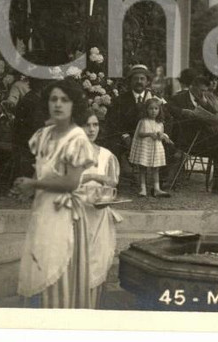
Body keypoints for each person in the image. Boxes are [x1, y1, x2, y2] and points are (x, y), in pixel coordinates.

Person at [13, 80, 98, 309]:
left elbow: (71, 182)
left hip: (64, 212)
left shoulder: (77, 138)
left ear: (74, 105)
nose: (58, 104)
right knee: (39, 261)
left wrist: (35, 184)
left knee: (56, 264)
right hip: (43, 209)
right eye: (53, 99)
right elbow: (40, 168)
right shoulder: (43, 134)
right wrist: (27, 187)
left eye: (64, 100)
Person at [78, 111, 122, 306]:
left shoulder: (106, 155)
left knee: (98, 260)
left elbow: (112, 182)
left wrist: (106, 184)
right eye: (87, 125)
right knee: (79, 262)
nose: (91, 129)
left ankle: (93, 306)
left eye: (95, 125)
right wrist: (91, 177)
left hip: (99, 214)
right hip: (77, 215)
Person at [102, 64, 158, 183]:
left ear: (147, 82)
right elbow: (113, 121)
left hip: (149, 136)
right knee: (113, 144)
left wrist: (159, 133)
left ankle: (159, 182)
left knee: (169, 146)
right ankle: (113, 180)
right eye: (136, 79)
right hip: (126, 137)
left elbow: (165, 118)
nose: (139, 81)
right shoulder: (120, 100)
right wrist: (125, 136)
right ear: (130, 81)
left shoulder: (154, 99)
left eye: (142, 79)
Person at [129, 98, 174, 197]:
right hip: (145, 147)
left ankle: (157, 189)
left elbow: (161, 134)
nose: (153, 111)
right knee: (143, 168)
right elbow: (140, 134)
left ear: (159, 110)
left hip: (156, 148)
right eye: (151, 109)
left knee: (156, 168)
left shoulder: (160, 123)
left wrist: (161, 136)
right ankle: (143, 189)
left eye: (156, 109)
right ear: (146, 110)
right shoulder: (143, 121)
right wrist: (149, 134)